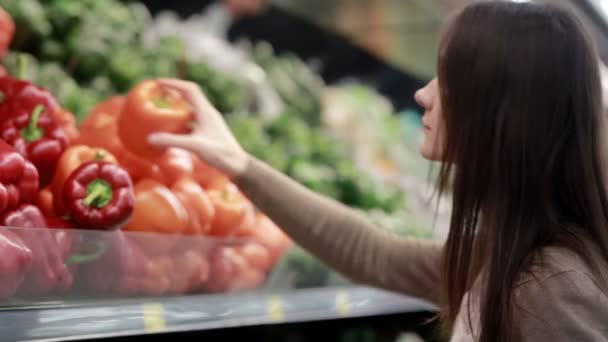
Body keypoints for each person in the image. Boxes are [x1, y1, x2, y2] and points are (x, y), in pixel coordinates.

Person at [148, 1, 608, 341]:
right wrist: (239, 164)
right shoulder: (506, 254)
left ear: (501, 111)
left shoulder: (551, 287)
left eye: (448, 78)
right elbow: (374, 253)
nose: (424, 95)